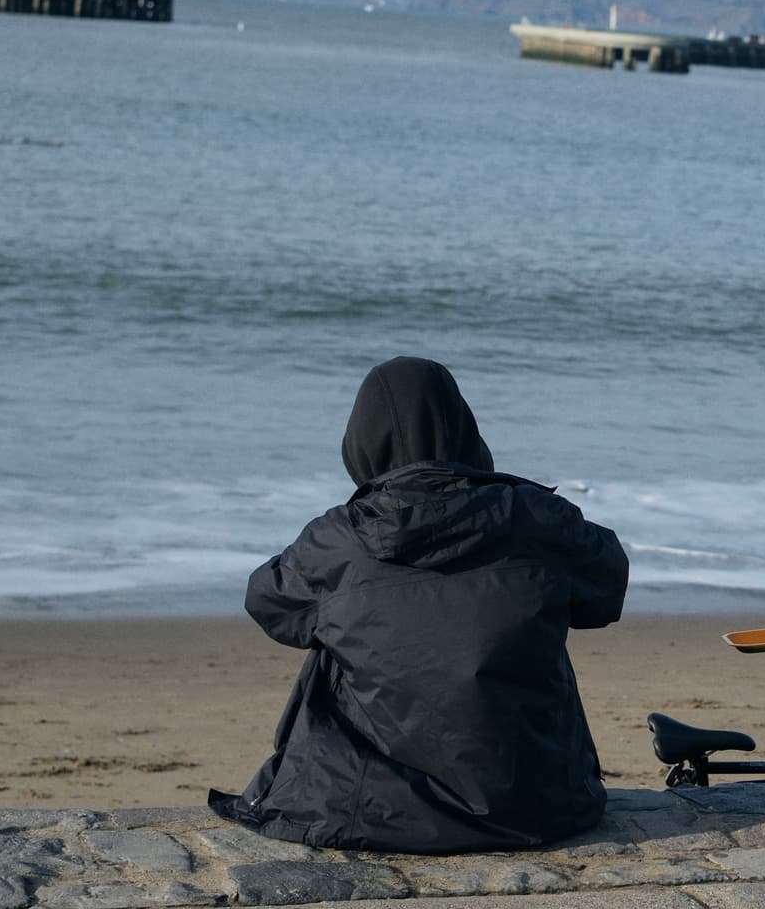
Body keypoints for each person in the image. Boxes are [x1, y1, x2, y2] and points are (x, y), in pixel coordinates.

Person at [209, 356, 627, 852]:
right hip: (540, 806)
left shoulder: (340, 539)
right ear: (467, 432)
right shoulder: (540, 519)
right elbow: (605, 591)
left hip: (366, 812)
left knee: (336, 624)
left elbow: (270, 602)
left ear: (362, 442)